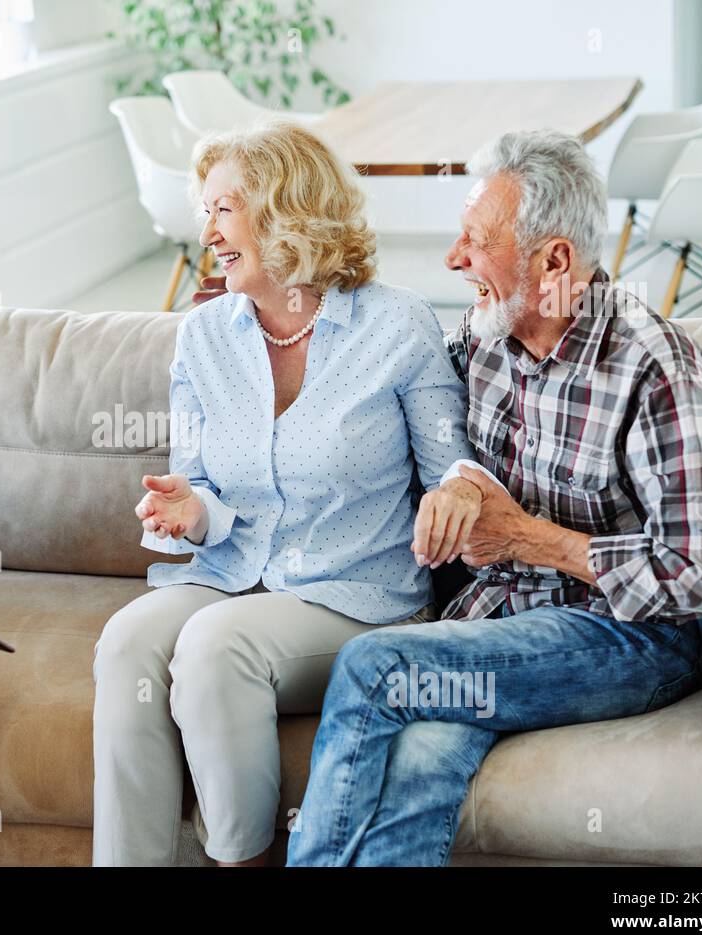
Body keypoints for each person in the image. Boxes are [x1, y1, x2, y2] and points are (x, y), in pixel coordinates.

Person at [285, 129, 702, 866]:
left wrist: (526, 537)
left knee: (377, 669)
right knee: (422, 749)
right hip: (501, 614)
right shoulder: (488, 336)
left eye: (476, 240)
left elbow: (700, 574)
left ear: (554, 260)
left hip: (629, 636)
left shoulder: (655, 368)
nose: (453, 259)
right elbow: (420, 430)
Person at [93, 121, 485, 867]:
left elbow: (452, 466)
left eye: (223, 210)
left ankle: (243, 860)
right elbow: (199, 486)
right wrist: (190, 511)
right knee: (128, 638)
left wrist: (457, 494)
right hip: (232, 576)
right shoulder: (202, 336)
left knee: (214, 643)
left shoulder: (396, 322)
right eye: (203, 211)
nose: (206, 232)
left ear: (286, 211)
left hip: (355, 596)